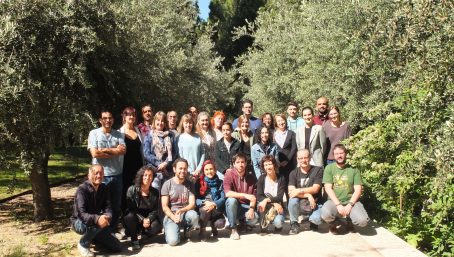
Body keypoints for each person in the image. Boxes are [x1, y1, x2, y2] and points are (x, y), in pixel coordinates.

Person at [71, 165, 122, 257]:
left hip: (97, 222)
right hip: (79, 222)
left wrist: (107, 216)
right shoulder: (82, 190)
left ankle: (94, 237)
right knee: (97, 223)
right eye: (96, 173)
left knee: (117, 247)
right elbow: (81, 214)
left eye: (101, 173)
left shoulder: (104, 188)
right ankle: (83, 244)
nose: (99, 176)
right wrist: (98, 218)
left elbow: (108, 207)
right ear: (89, 175)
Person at [87, 110, 126, 231]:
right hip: (100, 176)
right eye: (104, 118)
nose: (107, 120)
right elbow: (94, 153)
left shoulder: (119, 135)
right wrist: (114, 150)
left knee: (115, 205)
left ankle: (112, 231)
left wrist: (102, 150)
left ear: (113, 120)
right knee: (98, 205)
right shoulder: (94, 133)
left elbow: (122, 151)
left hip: (116, 175)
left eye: (110, 118)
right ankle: (99, 232)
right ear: (100, 120)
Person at [321, 144, 369, 234]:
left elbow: (358, 189)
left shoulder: (354, 169)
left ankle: (349, 221)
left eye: (341, 153)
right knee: (325, 214)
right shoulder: (329, 168)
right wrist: (338, 204)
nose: (339, 156)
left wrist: (350, 205)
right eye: (336, 154)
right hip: (334, 202)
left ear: (345, 154)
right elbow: (328, 188)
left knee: (362, 221)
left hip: (351, 201)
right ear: (333, 155)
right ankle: (334, 222)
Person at [161, 158, 200, 246]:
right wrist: (173, 216)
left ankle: (187, 228)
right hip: (171, 215)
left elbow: (192, 204)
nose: (183, 171)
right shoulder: (167, 184)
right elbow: (164, 206)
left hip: (185, 213)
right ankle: (170, 229)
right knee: (173, 242)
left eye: (185, 169)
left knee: (194, 216)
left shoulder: (190, 184)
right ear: (174, 169)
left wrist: (182, 210)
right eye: (180, 168)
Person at [123, 166, 161, 250]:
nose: (148, 177)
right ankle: (134, 239)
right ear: (141, 176)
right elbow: (131, 209)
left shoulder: (155, 192)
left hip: (147, 219)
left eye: (150, 175)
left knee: (157, 226)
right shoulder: (131, 190)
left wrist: (148, 219)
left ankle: (144, 234)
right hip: (135, 218)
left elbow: (155, 210)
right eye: (145, 175)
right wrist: (142, 219)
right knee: (129, 216)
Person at [287, 149, 324, 235]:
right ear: (297, 159)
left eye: (305, 157)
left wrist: (299, 190)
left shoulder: (318, 170)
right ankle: (294, 223)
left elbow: (315, 189)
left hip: (315, 203)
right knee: (292, 201)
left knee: (317, 220)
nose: (303, 160)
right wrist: (308, 195)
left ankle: (312, 220)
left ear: (310, 157)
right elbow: (291, 192)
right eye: (301, 158)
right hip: (300, 203)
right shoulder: (293, 173)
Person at [224, 153, 259, 240]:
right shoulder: (229, 174)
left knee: (255, 218)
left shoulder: (252, 177)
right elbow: (227, 193)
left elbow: (254, 197)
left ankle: (243, 223)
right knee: (231, 200)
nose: (240, 164)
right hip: (233, 206)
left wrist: (251, 209)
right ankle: (233, 228)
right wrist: (245, 195)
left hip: (245, 207)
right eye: (238, 162)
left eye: (242, 162)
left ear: (246, 163)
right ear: (234, 164)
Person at [119, 107, 144, 213]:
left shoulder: (138, 131)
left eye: (133, 115)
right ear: (124, 116)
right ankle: (126, 215)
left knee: (137, 189)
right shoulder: (119, 133)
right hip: (125, 167)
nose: (131, 117)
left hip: (138, 166)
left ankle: (137, 214)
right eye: (129, 114)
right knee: (125, 190)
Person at [195, 160, 226, 240]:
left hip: (216, 209)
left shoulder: (220, 182)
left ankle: (213, 225)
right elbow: (196, 198)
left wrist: (214, 204)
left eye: (211, 169)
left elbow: (223, 198)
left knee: (221, 224)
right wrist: (204, 202)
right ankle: (202, 229)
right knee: (205, 210)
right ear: (203, 171)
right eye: (206, 169)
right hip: (204, 208)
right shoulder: (199, 182)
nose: (209, 171)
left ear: (215, 170)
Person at [143, 111, 173, 189]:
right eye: (158, 120)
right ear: (154, 121)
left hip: (168, 172)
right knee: (155, 195)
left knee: (167, 197)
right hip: (154, 172)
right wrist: (160, 164)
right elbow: (146, 153)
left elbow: (174, 152)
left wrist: (166, 163)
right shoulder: (149, 135)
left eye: (162, 121)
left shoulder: (170, 136)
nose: (160, 122)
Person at [256, 155, 286, 233]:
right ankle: (263, 223)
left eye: (270, 164)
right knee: (263, 228)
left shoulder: (281, 178)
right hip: (265, 206)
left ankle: (277, 225)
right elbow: (259, 196)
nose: (268, 167)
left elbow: (279, 197)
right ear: (263, 167)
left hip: (278, 206)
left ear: (274, 165)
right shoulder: (262, 178)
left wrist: (268, 200)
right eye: (266, 165)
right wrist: (270, 202)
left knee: (278, 223)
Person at [274, 113, 297, 183]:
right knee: (279, 184)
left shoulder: (291, 133)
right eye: (278, 121)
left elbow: (294, 148)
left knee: (290, 184)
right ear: (276, 123)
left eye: (282, 120)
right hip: (277, 165)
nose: (281, 122)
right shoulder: (273, 134)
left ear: (285, 121)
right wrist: (277, 162)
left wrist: (287, 161)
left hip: (290, 164)